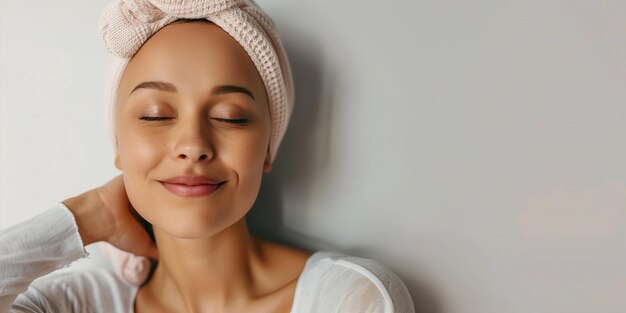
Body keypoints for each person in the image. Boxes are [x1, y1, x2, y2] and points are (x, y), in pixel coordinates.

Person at [0, 0, 416, 312]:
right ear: (119, 146)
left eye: (231, 117)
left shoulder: (346, 298)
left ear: (268, 149)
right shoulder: (80, 304)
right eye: (155, 115)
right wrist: (88, 216)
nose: (193, 144)